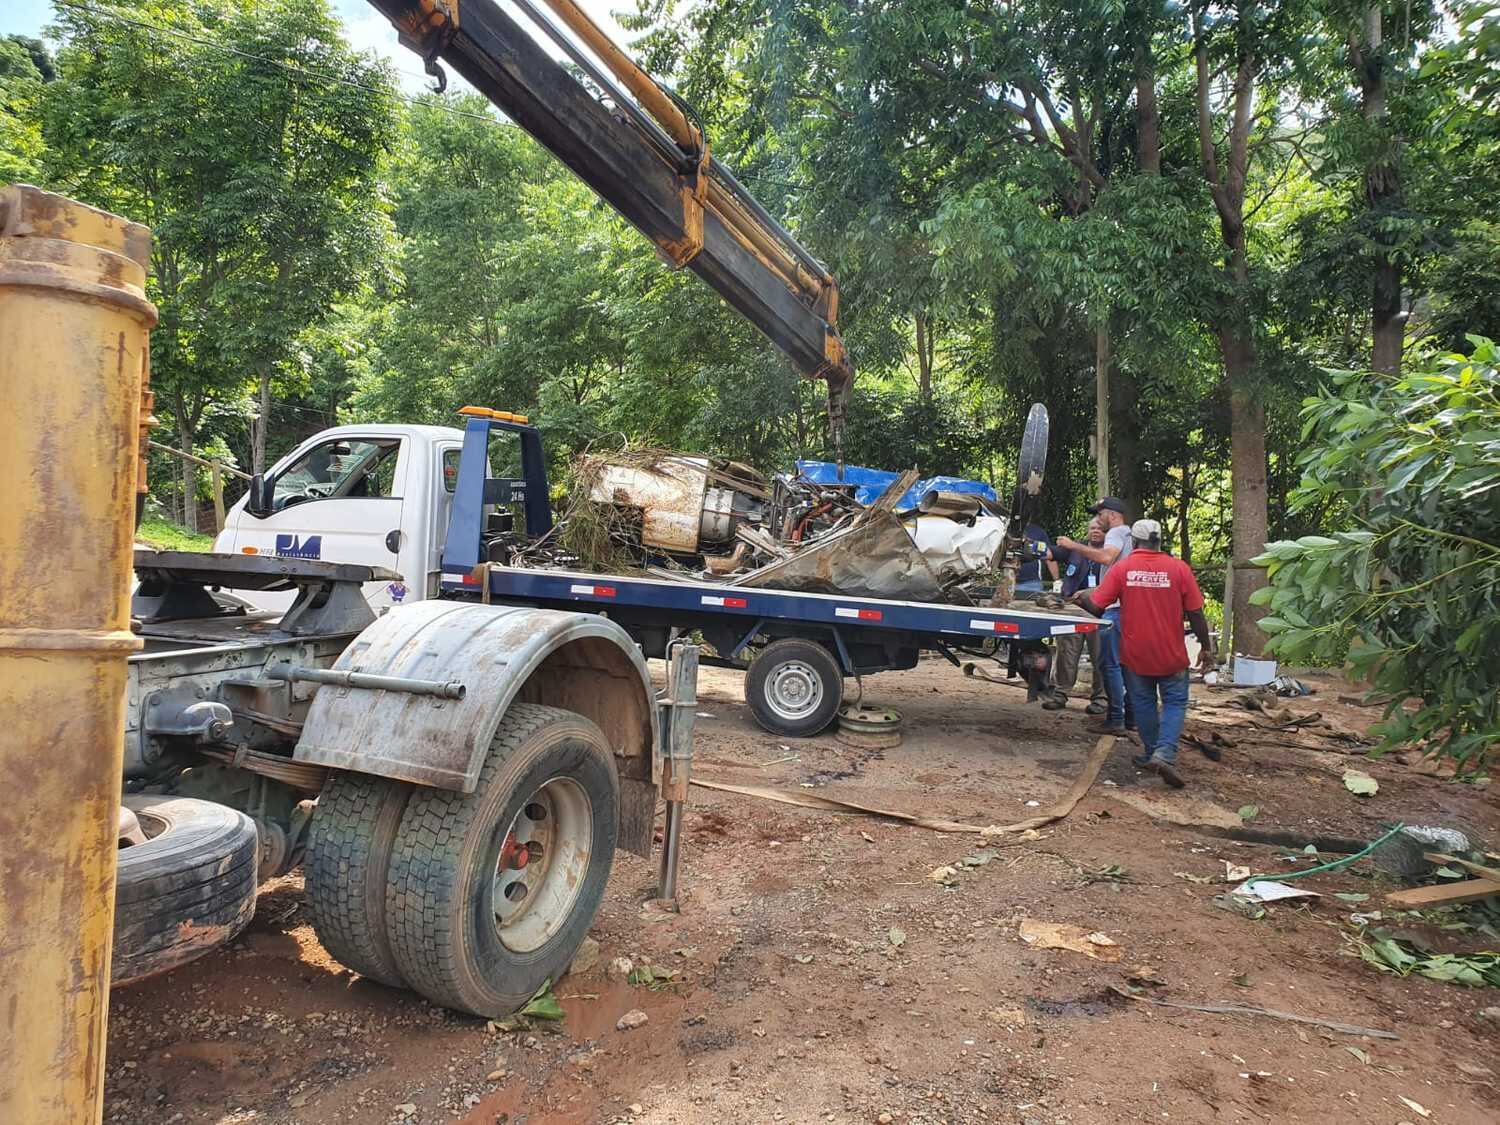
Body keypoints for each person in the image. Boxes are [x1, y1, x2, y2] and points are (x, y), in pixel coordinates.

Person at [1072, 519, 1216, 788]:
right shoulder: (1178, 569)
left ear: (1134, 543)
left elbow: (1098, 608)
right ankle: (1164, 754)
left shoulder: (1123, 568)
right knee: (1174, 702)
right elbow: (1196, 612)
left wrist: (1081, 598)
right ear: (1159, 541)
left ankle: (1152, 752)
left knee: (1144, 703)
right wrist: (1206, 648)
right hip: (1171, 654)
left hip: (1135, 653)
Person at [1054, 497, 1133, 733]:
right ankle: (1127, 718)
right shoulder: (1129, 535)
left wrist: (1073, 545)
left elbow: (1106, 558)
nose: (1098, 521)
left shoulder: (1117, 533)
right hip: (1113, 605)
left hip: (1113, 609)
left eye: (1100, 516)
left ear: (1111, 515)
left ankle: (1116, 717)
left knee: (1110, 664)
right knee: (1118, 664)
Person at [1042, 517, 1109, 713]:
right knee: (1066, 653)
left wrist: (1090, 592)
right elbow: (1049, 553)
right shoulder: (1075, 549)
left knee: (1101, 656)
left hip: (1100, 612)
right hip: (1072, 609)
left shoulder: (1112, 554)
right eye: (1092, 528)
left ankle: (1101, 698)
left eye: (1100, 528)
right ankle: (1060, 694)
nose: (1096, 531)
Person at [1015, 521, 1058, 595]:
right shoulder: (1007, 530)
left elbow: (1049, 557)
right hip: (1009, 581)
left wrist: (1057, 581)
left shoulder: (1038, 532)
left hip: (1032, 583)